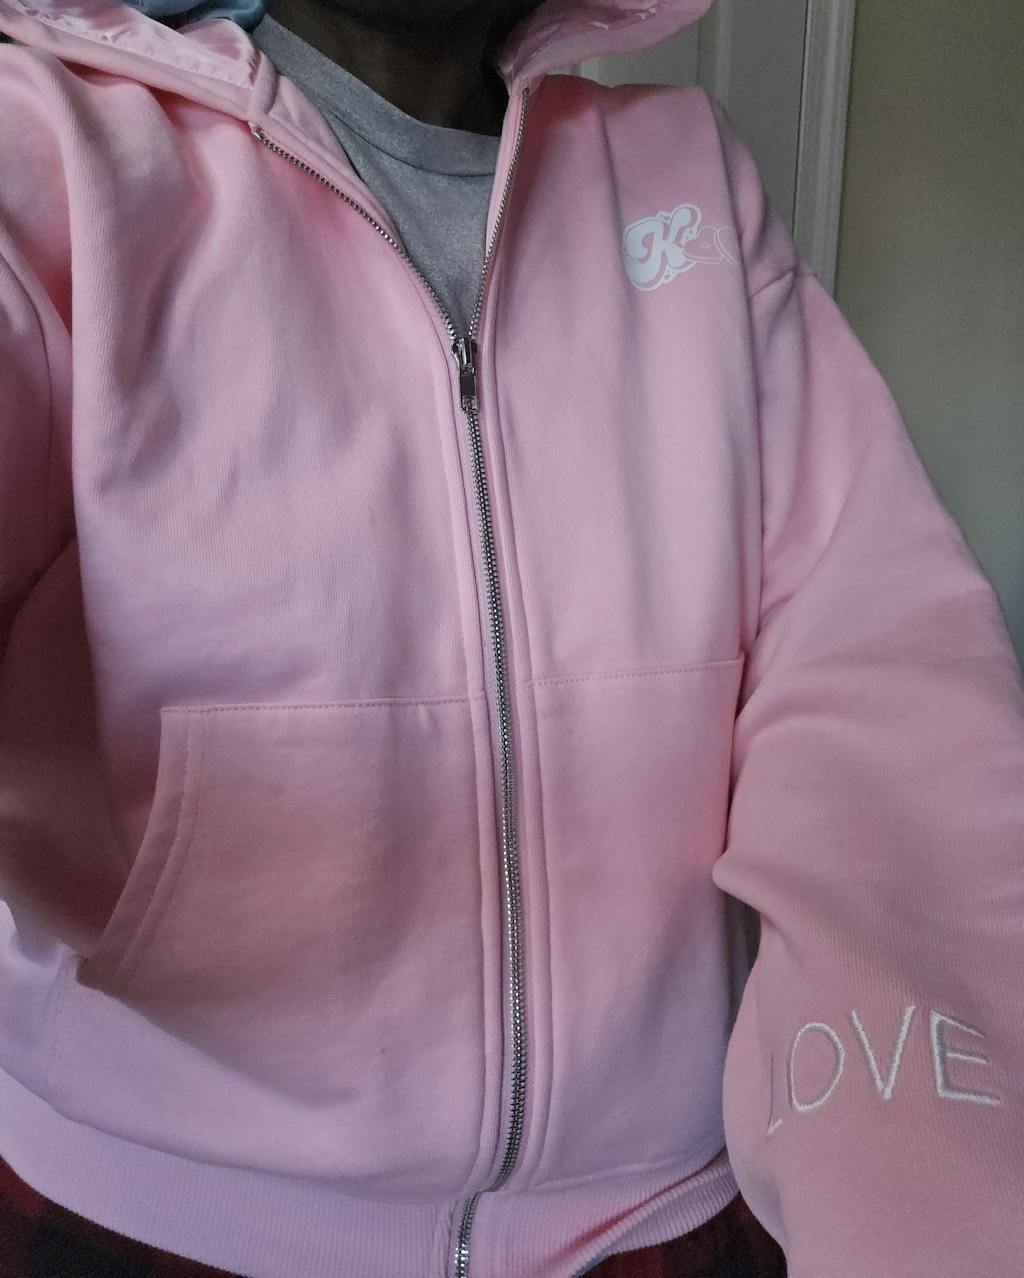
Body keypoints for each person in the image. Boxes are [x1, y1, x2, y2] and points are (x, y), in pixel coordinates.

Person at [0, 1, 1021, 1276]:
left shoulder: (682, 171)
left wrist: (920, 1206)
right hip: (143, 1209)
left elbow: (876, 682)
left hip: (657, 1216)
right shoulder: (51, 157)